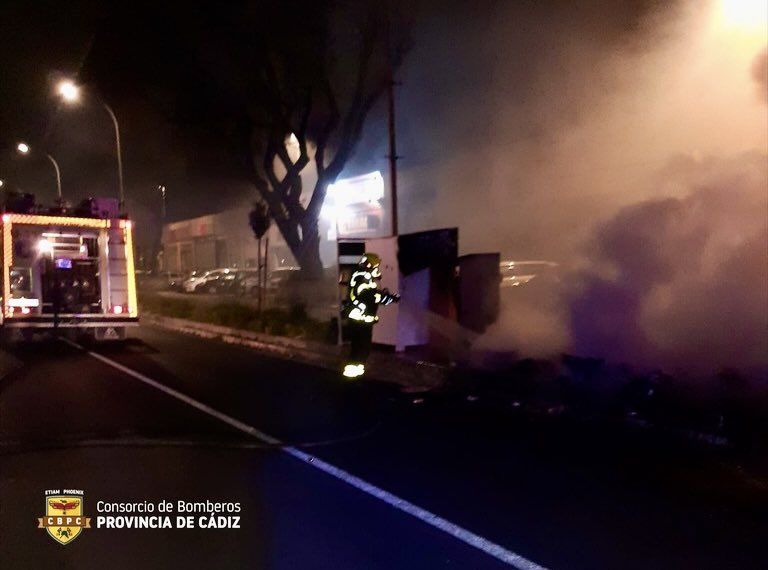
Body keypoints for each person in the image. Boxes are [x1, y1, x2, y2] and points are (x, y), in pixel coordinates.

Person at [343, 253, 399, 378]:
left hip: (359, 318)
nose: (376, 268)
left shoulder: (360, 274)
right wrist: (388, 298)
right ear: (369, 264)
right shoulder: (362, 276)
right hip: (361, 319)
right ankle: (352, 375)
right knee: (361, 346)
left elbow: (371, 294)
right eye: (375, 265)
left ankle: (355, 373)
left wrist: (384, 295)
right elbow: (369, 296)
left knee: (359, 346)